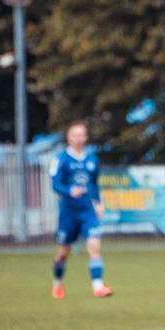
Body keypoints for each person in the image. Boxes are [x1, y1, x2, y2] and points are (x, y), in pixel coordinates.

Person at [50, 120, 113, 298]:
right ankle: (57, 283)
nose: (78, 138)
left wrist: (98, 202)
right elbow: (54, 184)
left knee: (94, 246)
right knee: (63, 253)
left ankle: (98, 287)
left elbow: (94, 185)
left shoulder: (92, 159)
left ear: (85, 137)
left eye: (81, 135)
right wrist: (70, 190)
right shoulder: (61, 159)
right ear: (69, 137)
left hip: (87, 212)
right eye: (75, 135)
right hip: (68, 213)